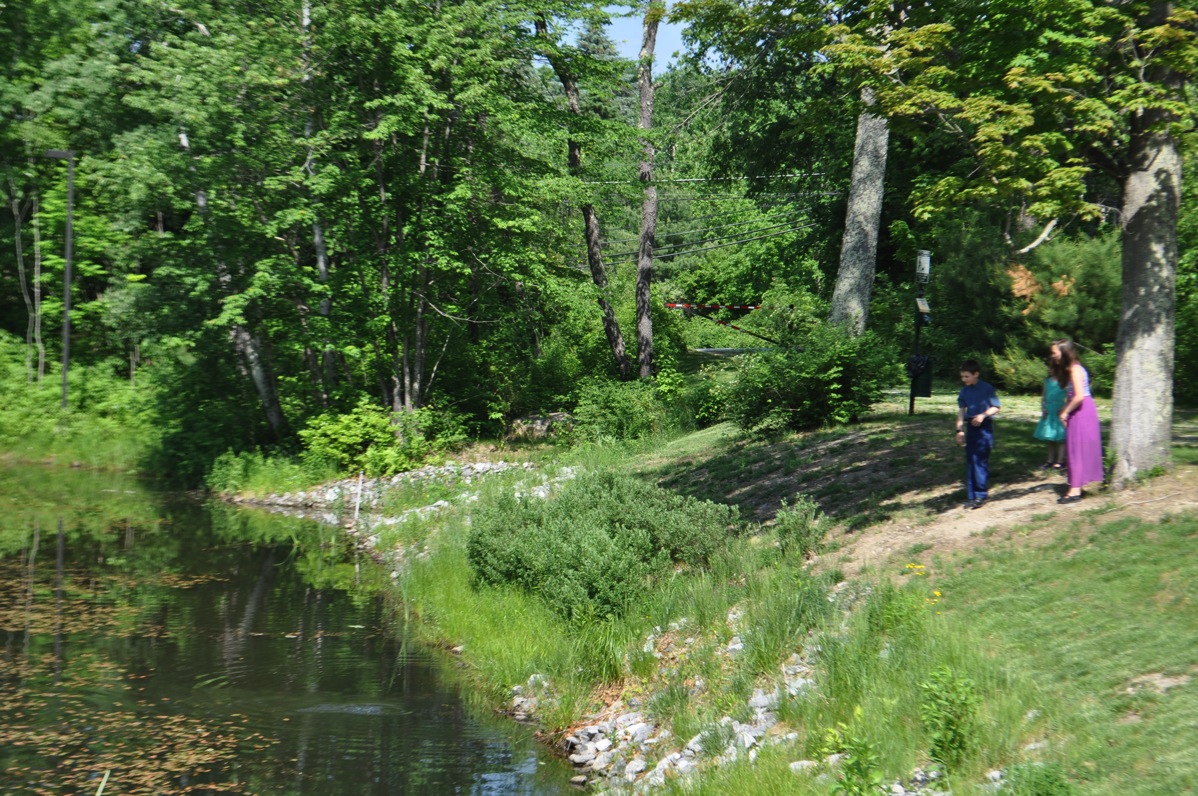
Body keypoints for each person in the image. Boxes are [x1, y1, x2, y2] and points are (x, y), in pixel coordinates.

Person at [1050, 339, 1104, 503]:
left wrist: (1065, 412)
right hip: (1077, 409)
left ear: (1064, 352)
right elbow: (1072, 395)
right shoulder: (1071, 369)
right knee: (1074, 448)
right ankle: (1075, 486)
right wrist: (1065, 408)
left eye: (1054, 352)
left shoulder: (1074, 369)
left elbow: (1080, 396)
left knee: (1077, 449)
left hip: (1082, 410)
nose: (1052, 355)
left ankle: (1075, 491)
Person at [955, 360, 1001, 509]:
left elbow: (996, 407)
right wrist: (959, 430)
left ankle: (980, 494)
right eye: (962, 377)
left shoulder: (987, 388)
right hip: (971, 428)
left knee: (980, 460)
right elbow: (961, 410)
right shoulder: (964, 391)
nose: (964, 380)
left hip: (984, 428)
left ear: (976, 374)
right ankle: (971, 495)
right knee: (970, 461)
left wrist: (983, 415)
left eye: (967, 376)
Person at [1033, 357, 1067, 470]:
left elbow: (1068, 397)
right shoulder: (1046, 382)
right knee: (1050, 437)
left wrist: (1065, 409)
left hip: (1059, 410)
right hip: (1049, 410)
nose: (1049, 370)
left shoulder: (1063, 381)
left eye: (1052, 368)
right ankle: (1050, 460)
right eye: (1049, 368)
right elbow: (1043, 397)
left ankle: (1060, 461)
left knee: (1061, 436)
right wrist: (1043, 408)